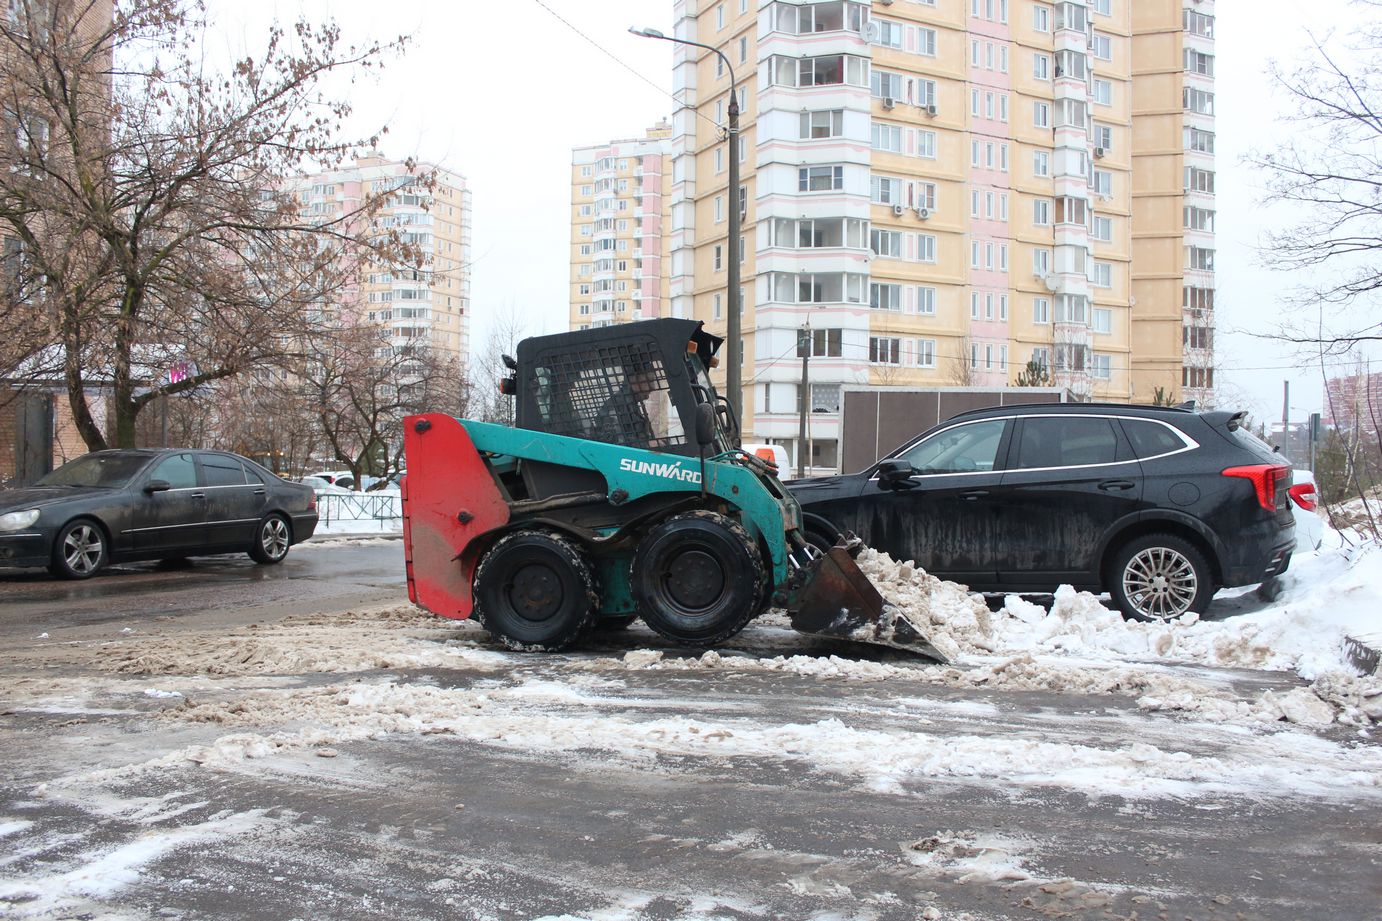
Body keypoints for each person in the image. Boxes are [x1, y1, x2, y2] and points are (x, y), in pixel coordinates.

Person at [592, 367, 658, 448]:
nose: (653, 387)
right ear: (634, 380)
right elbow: (613, 442)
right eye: (649, 381)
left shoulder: (630, 404)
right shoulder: (617, 405)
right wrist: (647, 445)